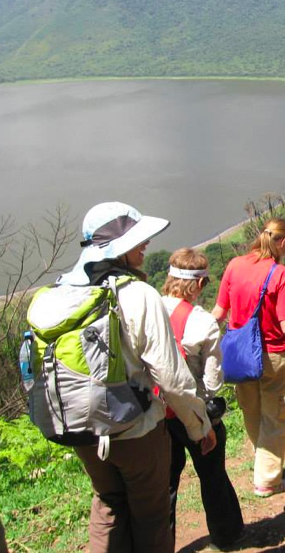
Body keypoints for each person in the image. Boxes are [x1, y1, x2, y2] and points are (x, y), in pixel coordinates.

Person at [57, 202, 215, 553]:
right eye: (137, 240)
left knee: (108, 503)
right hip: (134, 429)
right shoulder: (138, 294)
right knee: (151, 515)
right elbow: (171, 377)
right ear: (117, 248)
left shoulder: (64, 292)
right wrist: (199, 426)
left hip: (81, 427)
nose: (145, 245)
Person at [161, 248, 244, 549]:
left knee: (165, 485)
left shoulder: (147, 310)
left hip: (156, 414)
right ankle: (227, 536)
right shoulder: (202, 322)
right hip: (195, 412)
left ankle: (161, 543)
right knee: (213, 477)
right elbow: (212, 381)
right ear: (196, 284)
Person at [212, 218, 285, 498]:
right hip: (273, 355)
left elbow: (218, 312)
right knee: (275, 416)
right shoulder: (281, 274)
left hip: (239, 355)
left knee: (252, 411)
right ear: (282, 242)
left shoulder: (235, 265)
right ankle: (268, 480)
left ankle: (263, 463)